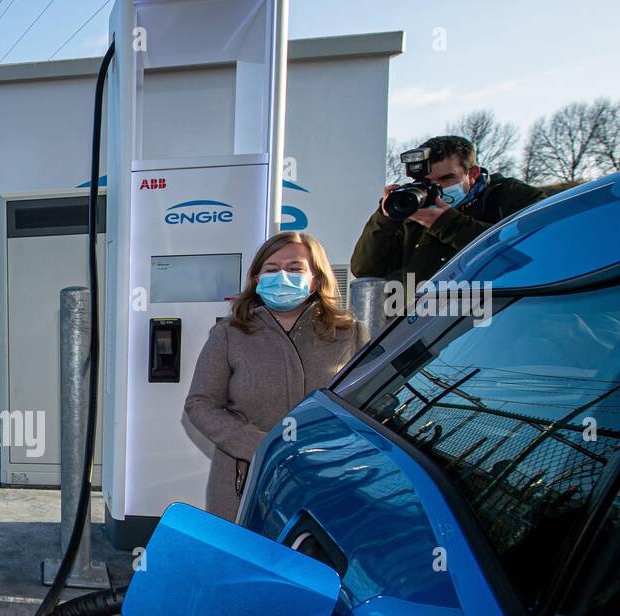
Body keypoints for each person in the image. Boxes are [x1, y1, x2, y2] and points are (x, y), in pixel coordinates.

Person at [185, 232, 367, 520]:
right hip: (245, 479)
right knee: (245, 559)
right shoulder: (229, 334)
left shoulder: (349, 334)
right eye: (272, 269)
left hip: (326, 478)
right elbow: (200, 404)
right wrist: (260, 445)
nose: (282, 276)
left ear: (316, 279)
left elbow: (368, 404)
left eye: (295, 269)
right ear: (257, 280)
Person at [351, 134, 544, 283]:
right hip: (431, 323)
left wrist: (447, 224)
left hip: (500, 319)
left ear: (473, 174)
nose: (436, 188)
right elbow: (365, 269)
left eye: (445, 179)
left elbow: (533, 252)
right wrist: (386, 218)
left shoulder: (513, 197)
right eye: (425, 182)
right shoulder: (414, 208)